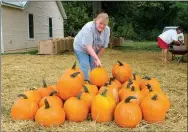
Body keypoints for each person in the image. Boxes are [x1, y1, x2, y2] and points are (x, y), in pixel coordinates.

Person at [73, 13, 110, 81]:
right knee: (85, 64)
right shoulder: (89, 28)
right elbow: (88, 47)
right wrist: (97, 59)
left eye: (104, 24)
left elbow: (103, 46)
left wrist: (97, 58)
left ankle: (94, 82)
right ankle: (85, 83)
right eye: (100, 23)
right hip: (81, 47)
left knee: (94, 65)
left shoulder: (107, 30)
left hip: (94, 48)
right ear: (96, 20)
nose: (102, 26)